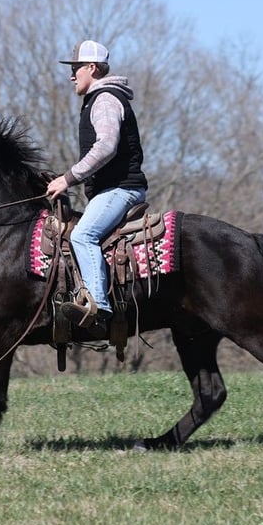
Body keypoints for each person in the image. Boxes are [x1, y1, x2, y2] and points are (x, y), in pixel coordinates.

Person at [46, 40, 148, 337]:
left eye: (76, 68)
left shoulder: (103, 99)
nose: (72, 75)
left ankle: (99, 307)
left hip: (120, 189)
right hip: (111, 190)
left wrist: (68, 178)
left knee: (82, 235)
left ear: (92, 68)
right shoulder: (97, 99)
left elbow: (106, 147)